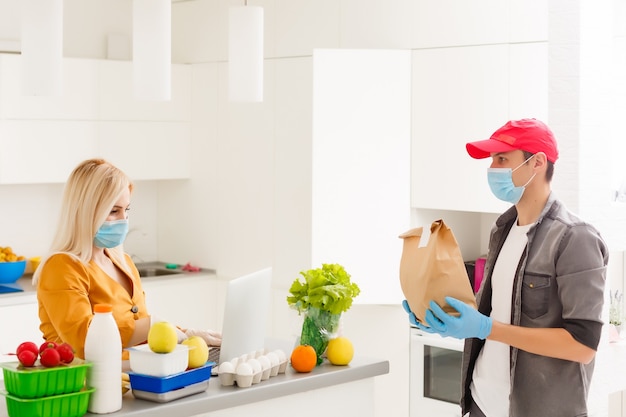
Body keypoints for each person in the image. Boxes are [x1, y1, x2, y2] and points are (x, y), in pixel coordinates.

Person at [403, 119, 608, 416]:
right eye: (491, 160)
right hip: (481, 404)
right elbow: (494, 316)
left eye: (502, 159)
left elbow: (582, 346)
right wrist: (443, 319)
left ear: (537, 162)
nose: (492, 169)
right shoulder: (503, 228)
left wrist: (487, 328)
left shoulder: (575, 238)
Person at [33, 158, 221, 359]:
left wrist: (185, 334)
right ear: (84, 211)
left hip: (131, 376)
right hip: (85, 384)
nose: (124, 219)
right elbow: (83, 340)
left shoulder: (123, 262)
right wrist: (150, 325)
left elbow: (140, 332)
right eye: (114, 211)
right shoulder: (63, 267)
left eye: (127, 210)